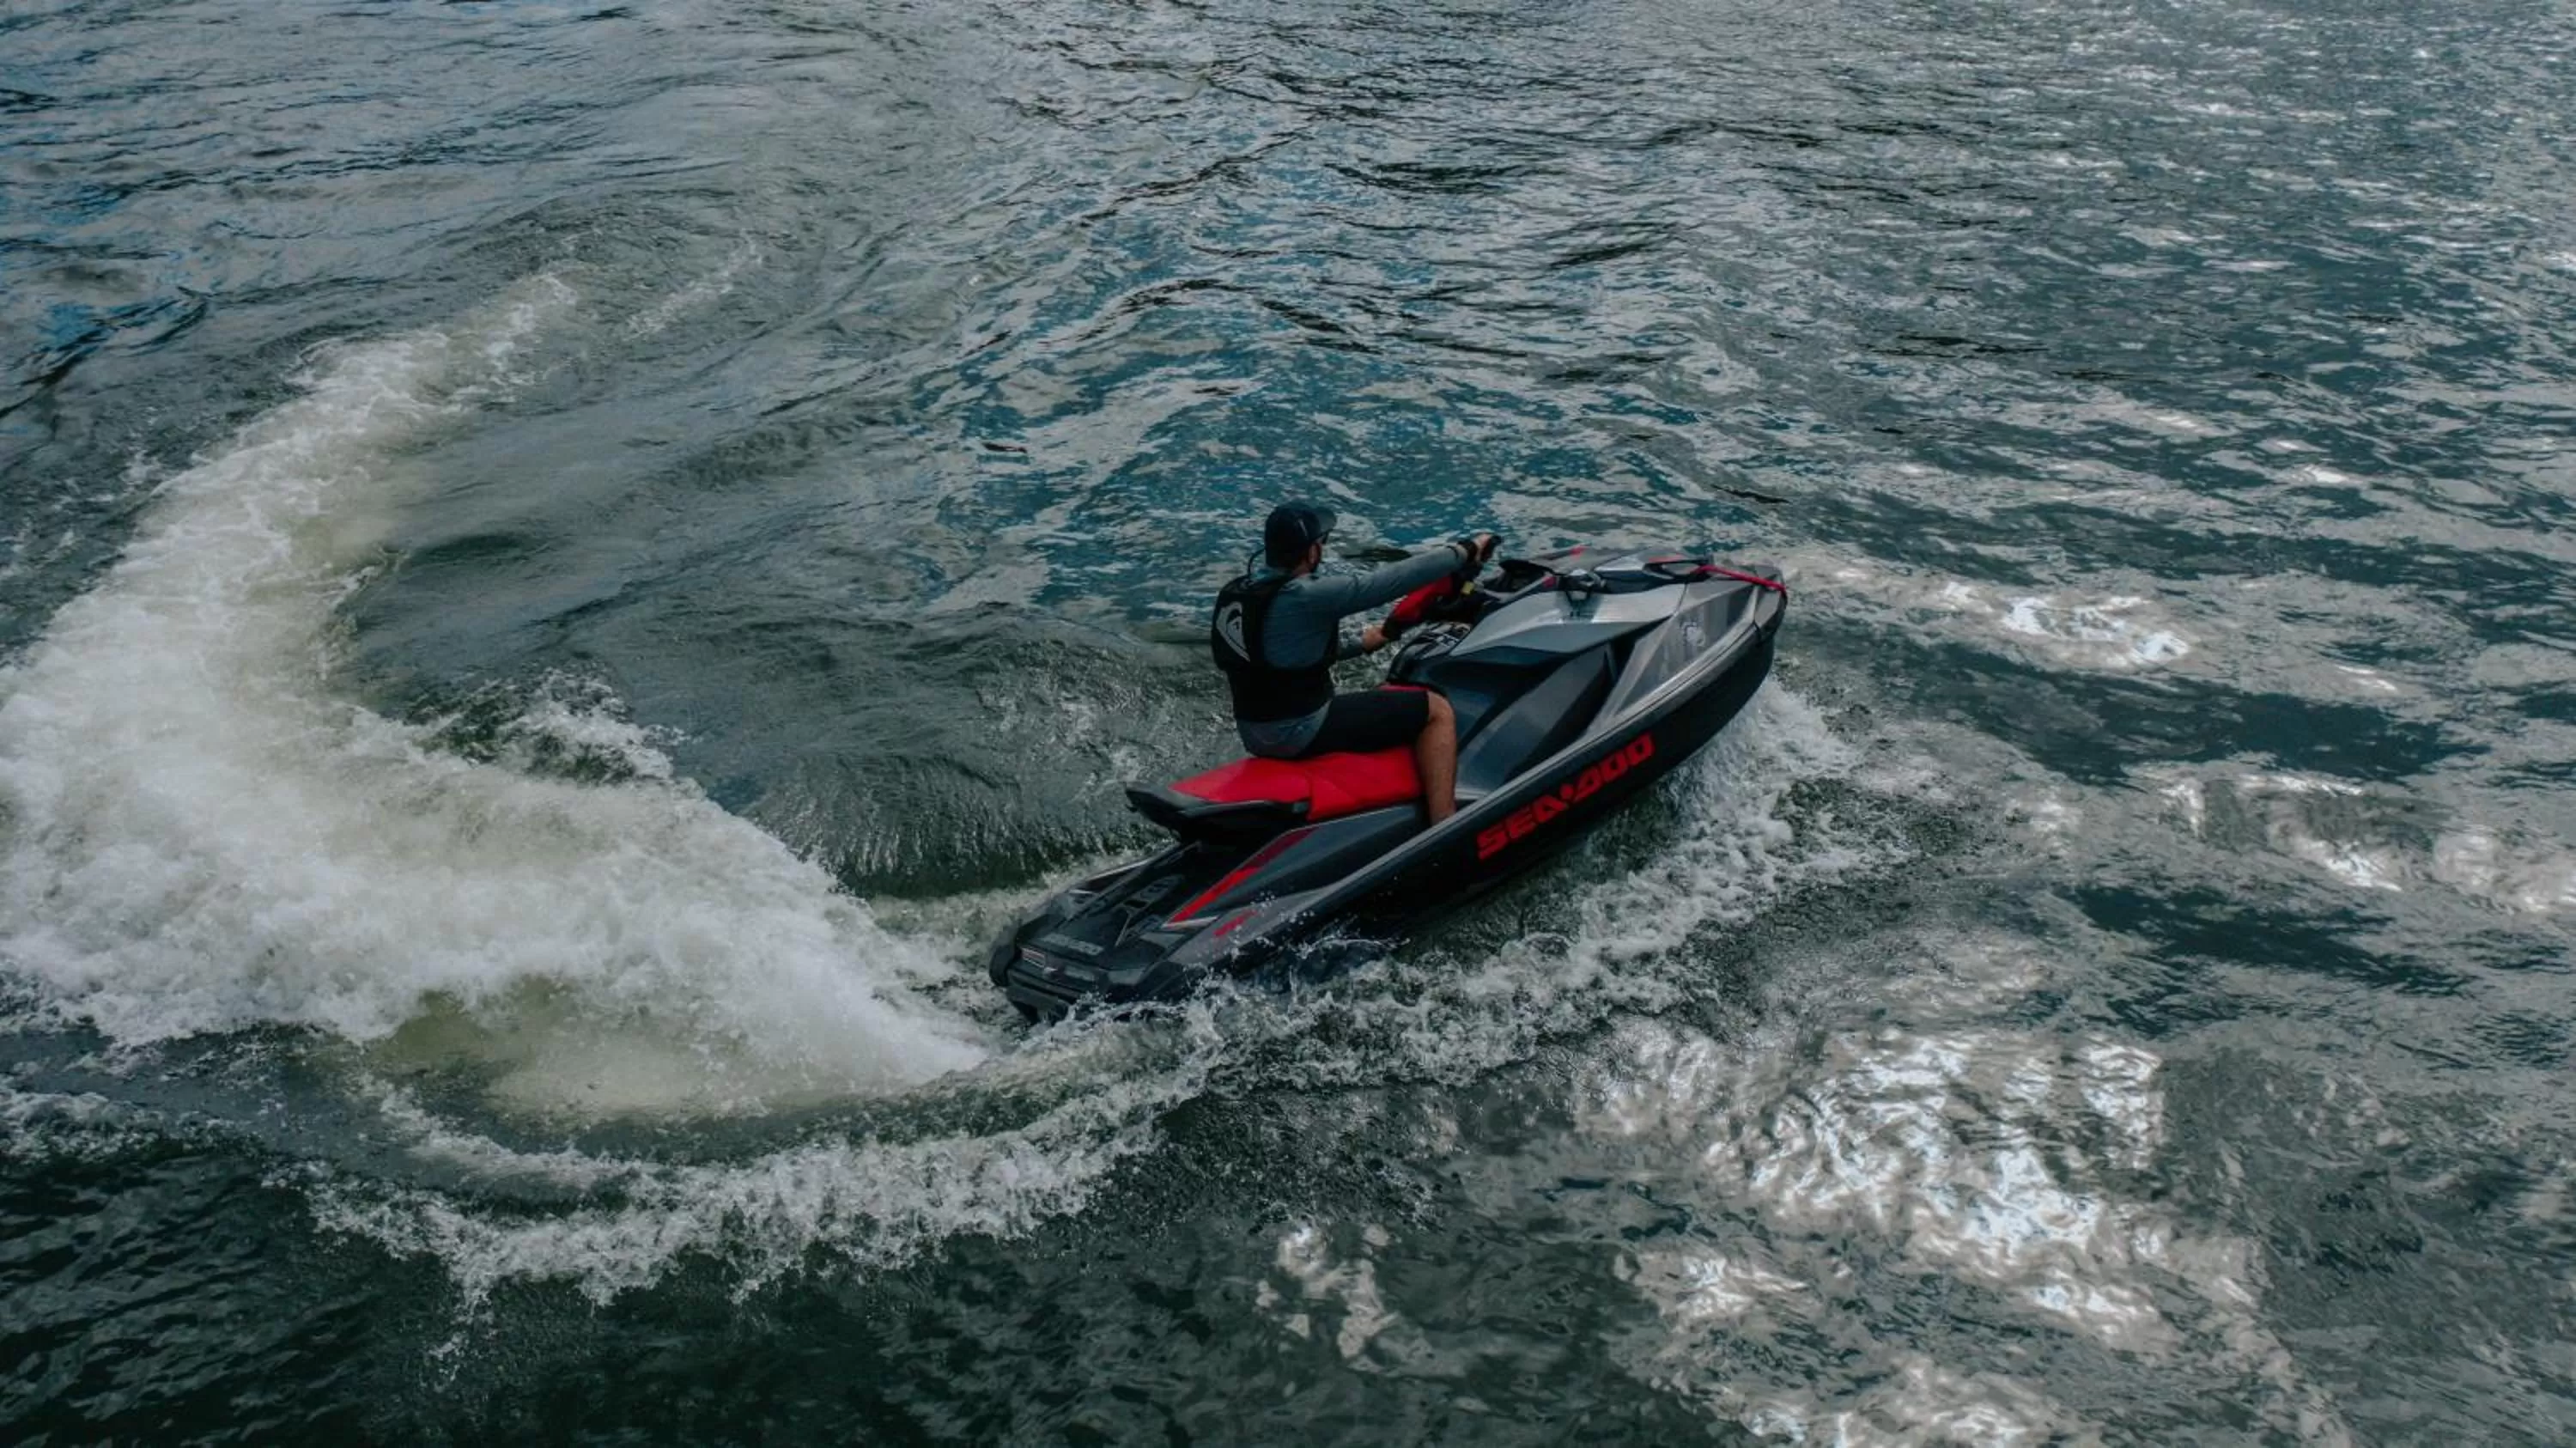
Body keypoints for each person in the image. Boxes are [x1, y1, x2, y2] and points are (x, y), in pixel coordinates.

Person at [1211, 502, 1498, 824]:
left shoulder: (1239, 594)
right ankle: (1444, 825)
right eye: (1321, 542)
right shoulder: (1305, 595)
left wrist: (1363, 643)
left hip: (1255, 733)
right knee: (1436, 711)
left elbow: (1276, 657)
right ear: (1311, 552)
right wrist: (1464, 550)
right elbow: (1387, 582)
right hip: (1299, 732)